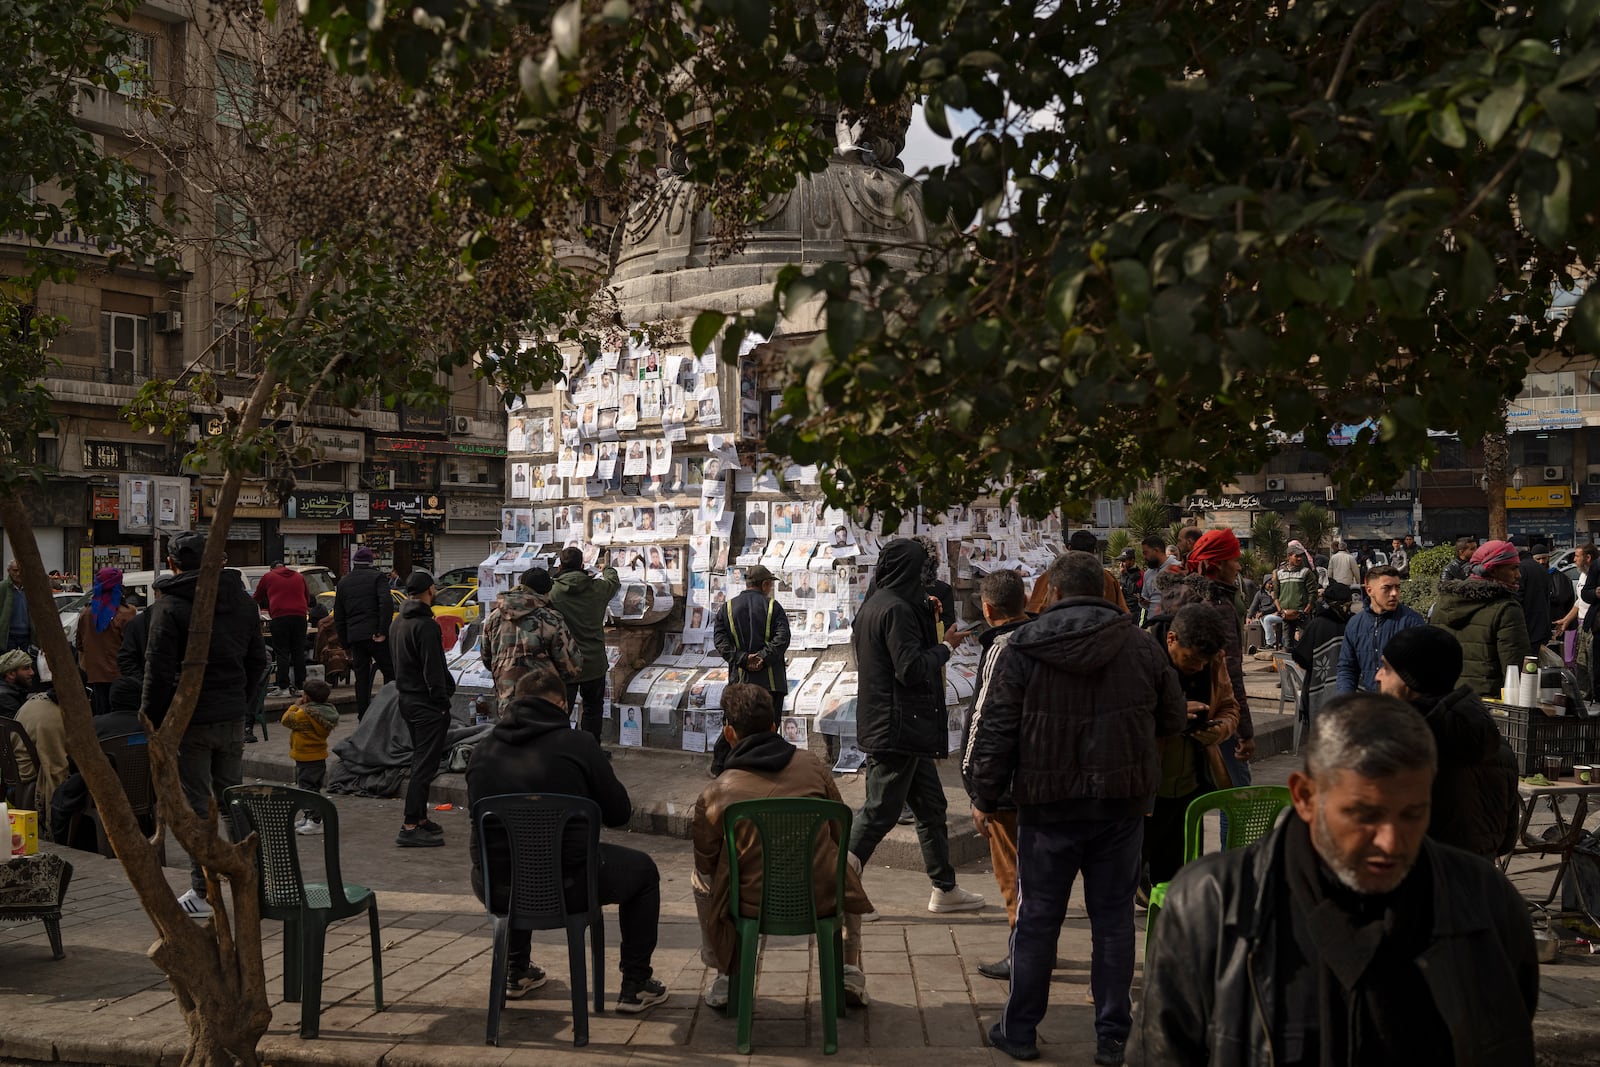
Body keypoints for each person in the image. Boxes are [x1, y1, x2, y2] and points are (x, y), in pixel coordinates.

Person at [1136, 692, 1537, 1066]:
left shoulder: (1484, 904)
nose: (1391, 841)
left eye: (1412, 814)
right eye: (1365, 815)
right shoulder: (1209, 907)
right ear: (1306, 797)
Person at [966, 550, 1185, 1066]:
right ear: (1106, 591)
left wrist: (985, 794)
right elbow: (1173, 719)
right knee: (1112, 921)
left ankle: (1019, 1029)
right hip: (1121, 803)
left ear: (1054, 594)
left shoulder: (1020, 646)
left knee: (1038, 917)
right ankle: (1113, 1035)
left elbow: (994, 728)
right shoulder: (1142, 645)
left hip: (1048, 805)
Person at [466, 665, 669, 1011]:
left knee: (513, 856)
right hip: (572, 885)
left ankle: (515, 969)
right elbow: (619, 813)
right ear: (562, 705)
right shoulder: (579, 745)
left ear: (516, 702)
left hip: (497, 886)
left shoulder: (484, 750)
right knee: (644, 872)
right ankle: (635, 983)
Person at [692, 683, 872, 1009]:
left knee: (700, 880)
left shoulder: (716, 792)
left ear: (729, 733)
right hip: (819, 895)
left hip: (750, 901)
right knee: (849, 860)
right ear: (775, 727)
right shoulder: (813, 765)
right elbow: (837, 830)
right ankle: (848, 969)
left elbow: (706, 863)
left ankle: (725, 974)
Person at [848, 538, 985, 914]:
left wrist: (928, 615)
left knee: (931, 807)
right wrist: (946, 646)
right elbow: (909, 669)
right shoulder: (895, 610)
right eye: (922, 567)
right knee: (880, 811)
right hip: (896, 727)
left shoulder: (879, 605)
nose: (928, 574)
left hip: (900, 725)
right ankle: (836, 886)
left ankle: (945, 887)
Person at [143, 531, 269, 918]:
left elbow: (158, 672)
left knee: (199, 809)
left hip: (191, 723)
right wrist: (241, 704)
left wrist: (153, 721)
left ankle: (204, 891)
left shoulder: (170, 607)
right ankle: (255, 882)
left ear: (173, 564)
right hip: (229, 716)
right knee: (234, 801)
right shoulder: (240, 602)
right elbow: (257, 663)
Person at [1375, 628, 1518, 860]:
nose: (1378, 676)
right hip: (1476, 884)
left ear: (1411, 681)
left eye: (1386, 668)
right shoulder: (1498, 746)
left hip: (1415, 887)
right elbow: (1506, 840)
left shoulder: (1401, 749)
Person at [962, 569, 1032, 981]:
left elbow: (986, 723)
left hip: (1007, 787)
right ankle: (1037, 946)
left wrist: (978, 790)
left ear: (987, 610)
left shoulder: (1001, 649)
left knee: (1013, 878)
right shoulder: (1043, 640)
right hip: (1047, 778)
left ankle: (1024, 953)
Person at [1141, 605, 1237, 892]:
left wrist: (1221, 729)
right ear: (1171, 639)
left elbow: (1230, 706)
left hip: (1190, 785)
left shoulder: (1213, 659)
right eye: (1191, 659)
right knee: (1130, 872)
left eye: (1204, 662)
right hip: (1146, 789)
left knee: (1174, 877)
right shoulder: (1139, 656)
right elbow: (1119, 715)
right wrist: (1172, 714)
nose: (1198, 667)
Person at [1155, 529, 1256, 786]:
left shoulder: (1176, 592)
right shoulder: (1215, 603)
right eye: (1234, 559)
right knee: (1234, 791)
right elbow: (1230, 671)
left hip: (1176, 713)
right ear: (1219, 563)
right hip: (1211, 711)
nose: (1238, 565)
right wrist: (1244, 730)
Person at [389, 570, 454, 848]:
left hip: (407, 698)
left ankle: (421, 818)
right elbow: (434, 668)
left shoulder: (398, 622)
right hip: (426, 703)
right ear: (430, 590)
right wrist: (441, 701)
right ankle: (410, 825)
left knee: (422, 760)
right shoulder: (426, 625)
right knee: (424, 766)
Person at [709, 563, 790, 776]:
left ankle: (719, 767)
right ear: (764, 584)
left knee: (735, 724)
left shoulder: (726, 608)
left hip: (740, 681)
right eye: (770, 584)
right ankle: (760, 768)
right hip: (770, 682)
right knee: (769, 726)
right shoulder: (773, 607)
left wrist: (742, 659)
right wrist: (763, 658)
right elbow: (782, 638)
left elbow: (720, 640)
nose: (771, 588)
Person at [1432, 540, 1532, 698]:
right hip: (1488, 705)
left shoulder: (1442, 605)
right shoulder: (1507, 609)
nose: (1518, 575)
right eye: (1513, 568)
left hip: (1445, 700)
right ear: (1492, 570)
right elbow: (1515, 669)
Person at [480, 567, 581, 717]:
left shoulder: (494, 617)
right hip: (545, 702)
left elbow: (487, 658)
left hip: (507, 702)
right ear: (546, 592)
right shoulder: (550, 619)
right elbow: (572, 667)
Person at [549, 547, 621, 743]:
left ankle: (561, 753)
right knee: (592, 709)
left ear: (560, 566)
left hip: (565, 662)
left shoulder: (552, 592)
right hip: (594, 662)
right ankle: (591, 752)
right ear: (582, 565)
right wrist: (607, 568)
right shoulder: (597, 588)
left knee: (561, 712)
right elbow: (613, 582)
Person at [1335, 564, 1426, 693]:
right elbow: (1347, 668)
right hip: (1371, 704)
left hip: (1403, 706)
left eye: (1397, 587)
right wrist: (1344, 704)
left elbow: (1424, 669)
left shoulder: (1412, 622)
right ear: (1369, 590)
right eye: (1387, 588)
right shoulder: (1355, 624)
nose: (1394, 593)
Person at [334, 546, 396, 720]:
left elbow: (339, 615)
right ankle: (387, 711)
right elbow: (386, 603)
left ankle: (363, 715)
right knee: (390, 672)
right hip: (376, 636)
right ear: (371, 562)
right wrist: (382, 631)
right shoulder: (378, 577)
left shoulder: (344, 582)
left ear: (355, 563)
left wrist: (345, 643)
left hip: (355, 637)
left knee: (361, 678)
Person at [280, 677, 339, 836]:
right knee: (311, 788)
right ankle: (308, 817)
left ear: (307, 697)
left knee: (308, 790)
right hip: (317, 756)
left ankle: (315, 821)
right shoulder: (327, 711)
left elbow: (285, 720)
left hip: (306, 757)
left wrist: (295, 705)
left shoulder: (303, 715)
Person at [77, 567, 136, 717]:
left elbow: (79, 644)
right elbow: (133, 646)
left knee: (98, 715)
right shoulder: (127, 613)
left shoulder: (86, 614)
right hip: (120, 676)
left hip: (93, 675)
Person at [254, 561, 311, 698]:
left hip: (280, 617)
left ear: (272, 568)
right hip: (300, 617)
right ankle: (300, 687)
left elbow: (256, 598)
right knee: (298, 651)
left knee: (282, 652)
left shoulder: (269, 576)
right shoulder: (299, 576)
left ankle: (283, 687)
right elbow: (307, 597)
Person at [1292, 580, 1354, 674]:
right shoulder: (1356, 622)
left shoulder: (1316, 624)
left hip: (1318, 681)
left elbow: (1301, 658)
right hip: (1352, 682)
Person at [1270, 542, 1319, 651]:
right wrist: (1280, 611)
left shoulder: (1306, 573)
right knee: (1287, 645)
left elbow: (1313, 594)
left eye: (1301, 556)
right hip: (1286, 615)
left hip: (1302, 615)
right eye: (1296, 556)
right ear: (1289, 557)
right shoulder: (1279, 573)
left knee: (1305, 644)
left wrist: (1305, 612)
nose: (1299, 559)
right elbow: (1276, 595)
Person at [1518, 539, 1553, 648]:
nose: (1542, 562)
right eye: (1539, 558)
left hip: (1529, 631)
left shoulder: (1521, 568)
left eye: (1544, 558)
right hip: (1540, 630)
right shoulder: (1540, 569)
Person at [1140, 536, 1181, 619]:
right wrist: (1143, 602)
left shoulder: (1178, 568)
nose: (1144, 557)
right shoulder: (1148, 573)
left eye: (1146, 553)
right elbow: (1146, 599)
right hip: (1152, 623)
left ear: (1156, 551)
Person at [0, 558, 36, 653]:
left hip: (26, 636)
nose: (18, 574)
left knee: (25, 665)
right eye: (15, 570)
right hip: (9, 636)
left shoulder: (30, 589)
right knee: (10, 665)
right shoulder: (3, 587)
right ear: (8, 571)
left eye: (21, 570)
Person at [1245, 575, 1282, 652]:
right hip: (1264, 615)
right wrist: (1249, 616)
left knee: (1267, 619)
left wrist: (1263, 612)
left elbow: (1275, 605)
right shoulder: (1260, 593)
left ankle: (1270, 643)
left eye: (1272, 583)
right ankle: (1267, 641)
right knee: (1260, 619)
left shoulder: (1277, 593)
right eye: (1269, 583)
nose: (1271, 585)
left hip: (1277, 614)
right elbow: (1254, 605)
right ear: (1265, 583)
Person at [0, 647, 35, 717]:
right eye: (26, 668)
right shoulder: (5, 698)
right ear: (11, 674)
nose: (32, 673)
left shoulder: (14, 692)